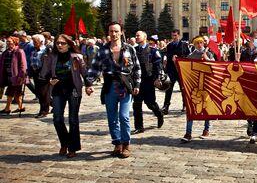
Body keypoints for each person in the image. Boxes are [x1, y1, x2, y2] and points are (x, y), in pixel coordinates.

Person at [85, 22, 141, 159]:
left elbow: (136, 68)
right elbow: (94, 68)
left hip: (126, 85)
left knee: (124, 116)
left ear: (121, 32)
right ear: (108, 33)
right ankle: (117, 143)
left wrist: (137, 84)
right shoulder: (103, 50)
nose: (114, 34)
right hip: (110, 86)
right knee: (112, 117)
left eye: (116, 31)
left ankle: (126, 144)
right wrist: (89, 83)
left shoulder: (129, 49)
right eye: (111, 31)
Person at [41, 34, 90, 158]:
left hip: (73, 89)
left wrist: (88, 85)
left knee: (73, 119)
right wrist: (49, 80)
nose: (59, 45)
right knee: (57, 119)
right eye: (57, 43)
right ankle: (65, 142)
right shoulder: (52, 57)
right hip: (58, 90)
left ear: (69, 44)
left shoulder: (76, 57)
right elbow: (45, 74)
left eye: (62, 43)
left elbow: (84, 72)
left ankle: (73, 147)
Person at [181, 36, 214, 143]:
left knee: (206, 107)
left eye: (201, 42)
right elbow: (185, 69)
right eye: (198, 43)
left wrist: (207, 59)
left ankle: (206, 129)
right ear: (194, 45)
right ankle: (188, 132)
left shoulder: (209, 53)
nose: (200, 44)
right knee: (191, 108)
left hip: (207, 84)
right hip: (194, 85)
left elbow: (216, 67)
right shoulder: (191, 55)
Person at [132, 30, 165, 134]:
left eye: (138, 35)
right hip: (137, 81)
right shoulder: (133, 50)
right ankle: (139, 127)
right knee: (137, 104)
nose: (136, 37)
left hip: (148, 80)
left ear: (144, 37)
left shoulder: (153, 51)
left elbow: (158, 66)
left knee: (150, 103)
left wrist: (157, 78)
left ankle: (159, 114)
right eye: (135, 35)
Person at [162, 29, 190, 115]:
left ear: (179, 35)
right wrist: (169, 57)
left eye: (175, 35)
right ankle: (166, 106)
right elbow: (167, 54)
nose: (174, 37)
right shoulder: (170, 45)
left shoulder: (184, 45)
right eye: (172, 36)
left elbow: (188, 55)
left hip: (181, 69)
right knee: (169, 88)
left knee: (183, 88)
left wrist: (179, 57)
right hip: (171, 70)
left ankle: (185, 104)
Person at [0, 35, 28, 114]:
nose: (8, 43)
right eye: (7, 41)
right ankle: (20, 107)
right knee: (17, 93)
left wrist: (21, 75)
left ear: (15, 42)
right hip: (8, 75)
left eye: (9, 41)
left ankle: (7, 108)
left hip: (16, 75)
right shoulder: (6, 52)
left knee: (10, 91)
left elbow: (23, 64)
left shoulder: (19, 51)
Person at [30, 34, 50, 118]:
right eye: (33, 41)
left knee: (44, 93)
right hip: (35, 72)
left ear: (41, 42)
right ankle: (44, 108)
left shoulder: (46, 50)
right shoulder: (34, 50)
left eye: (35, 41)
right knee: (38, 92)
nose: (33, 43)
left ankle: (44, 111)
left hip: (44, 73)